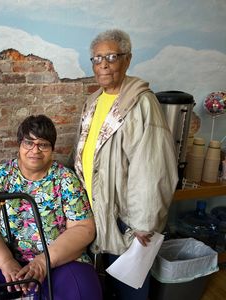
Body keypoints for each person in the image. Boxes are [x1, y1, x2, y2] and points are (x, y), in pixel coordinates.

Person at [0, 115, 102, 300]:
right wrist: (5, 261)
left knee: (83, 293)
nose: (35, 150)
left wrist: (43, 261)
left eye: (43, 144)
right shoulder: (3, 175)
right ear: (19, 144)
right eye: (29, 143)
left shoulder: (66, 179)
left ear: (52, 149)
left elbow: (84, 228)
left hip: (57, 258)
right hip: (0, 252)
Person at [72, 29, 178, 300]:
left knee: (129, 287)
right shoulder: (93, 101)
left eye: (111, 57)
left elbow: (154, 168)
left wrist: (145, 222)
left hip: (127, 222)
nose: (103, 64)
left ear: (127, 59)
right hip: (96, 212)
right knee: (102, 285)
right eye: (97, 58)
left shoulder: (142, 103)